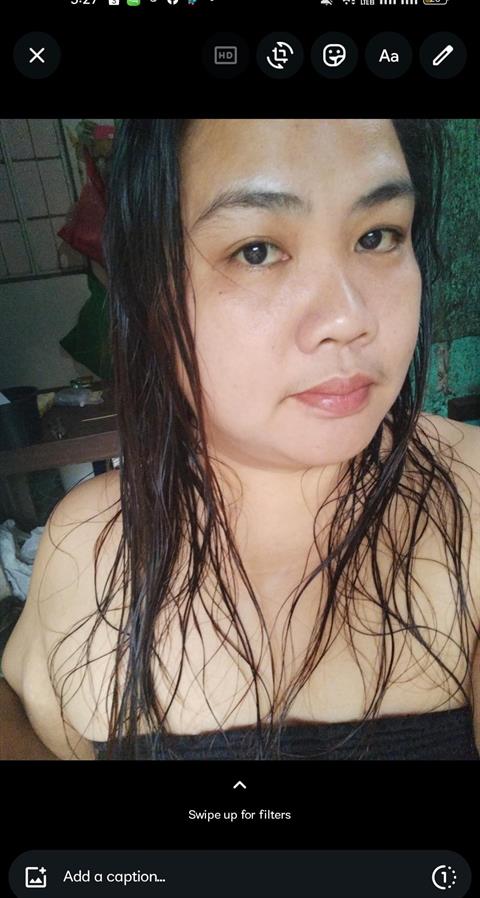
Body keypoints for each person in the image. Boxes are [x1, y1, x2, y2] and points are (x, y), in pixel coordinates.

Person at [2, 119, 479, 761]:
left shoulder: (470, 498)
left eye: (377, 235)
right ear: (151, 288)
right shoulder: (88, 542)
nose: (349, 318)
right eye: (257, 250)